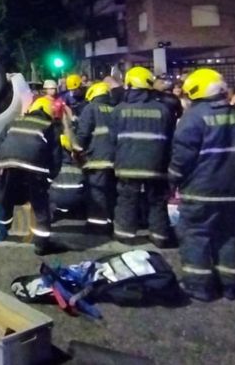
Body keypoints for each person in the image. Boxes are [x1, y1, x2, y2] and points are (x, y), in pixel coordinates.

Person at [169, 69, 235, 301]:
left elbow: (182, 158)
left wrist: (173, 180)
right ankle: (231, 285)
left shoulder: (193, 118)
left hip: (202, 191)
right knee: (229, 236)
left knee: (195, 235)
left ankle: (198, 286)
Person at [111, 66, 176, 248]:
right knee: (157, 201)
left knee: (126, 199)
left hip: (127, 164)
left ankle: (124, 234)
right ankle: (159, 236)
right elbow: (171, 138)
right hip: (156, 165)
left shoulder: (119, 110)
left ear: (130, 85)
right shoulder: (163, 110)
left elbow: (112, 139)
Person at [0, 96, 61, 255]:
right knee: (40, 204)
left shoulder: (14, 122)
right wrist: (49, 178)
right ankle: (41, 244)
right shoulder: (49, 126)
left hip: (7, 163)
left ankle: (1, 232)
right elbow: (55, 157)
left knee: (4, 198)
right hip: (34, 166)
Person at [74, 82, 116, 234]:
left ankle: (97, 225)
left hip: (97, 158)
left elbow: (83, 132)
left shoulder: (90, 108)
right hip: (115, 159)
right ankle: (110, 221)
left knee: (96, 192)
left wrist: (77, 149)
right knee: (111, 192)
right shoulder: (115, 109)